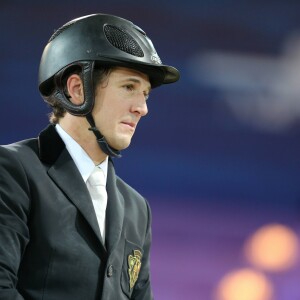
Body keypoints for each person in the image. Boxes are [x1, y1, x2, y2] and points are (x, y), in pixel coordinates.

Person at [0, 13, 179, 300]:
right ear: (77, 89)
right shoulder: (12, 170)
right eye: (129, 87)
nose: (142, 108)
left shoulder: (137, 209)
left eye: (145, 94)